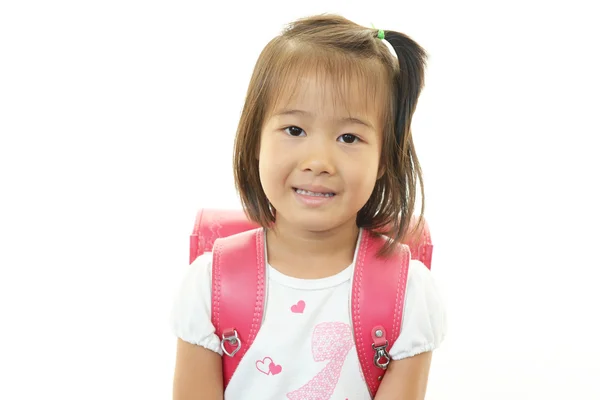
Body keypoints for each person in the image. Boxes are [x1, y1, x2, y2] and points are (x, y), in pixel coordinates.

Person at [170, 13, 446, 400]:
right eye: (295, 130)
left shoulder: (408, 294)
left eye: (349, 137)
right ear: (255, 140)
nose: (318, 161)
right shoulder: (211, 283)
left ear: (384, 158)